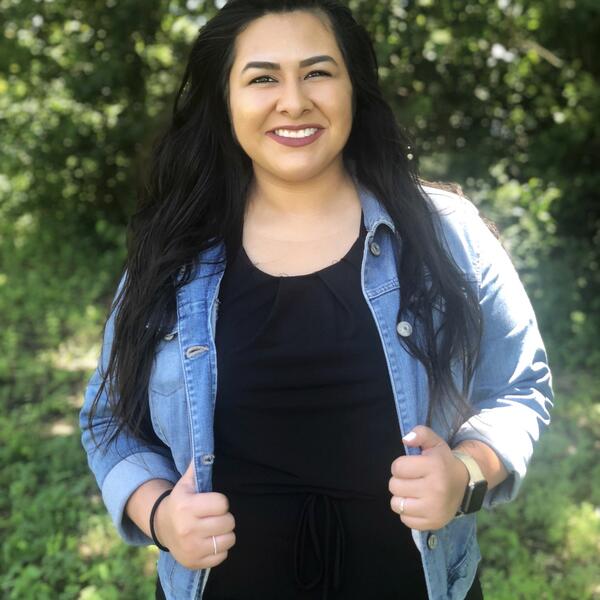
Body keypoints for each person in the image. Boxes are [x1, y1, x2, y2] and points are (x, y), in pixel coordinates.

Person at [79, 1, 553, 599]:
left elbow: (519, 386)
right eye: (262, 77)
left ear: (354, 86)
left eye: (318, 72)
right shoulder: (173, 252)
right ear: (224, 100)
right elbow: (108, 421)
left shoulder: (445, 233)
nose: (294, 100)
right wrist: (159, 515)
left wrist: (465, 474)